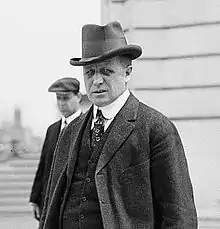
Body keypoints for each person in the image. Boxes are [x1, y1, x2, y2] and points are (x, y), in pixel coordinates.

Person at [39, 21, 197, 229]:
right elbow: (51, 204)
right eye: (89, 72)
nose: (96, 81)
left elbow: (179, 216)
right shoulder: (70, 132)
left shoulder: (156, 129)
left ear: (127, 73)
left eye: (106, 71)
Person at [29, 77, 82, 221]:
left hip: (73, 203)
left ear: (78, 97)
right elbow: (44, 165)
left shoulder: (87, 126)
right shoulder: (52, 130)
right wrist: (35, 198)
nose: (61, 103)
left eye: (65, 98)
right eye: (58, 98)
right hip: (49, 199)